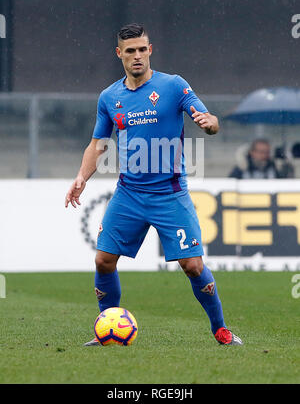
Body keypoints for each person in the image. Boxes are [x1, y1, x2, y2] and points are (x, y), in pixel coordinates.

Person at [65, 23, 243, 346]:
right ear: (119, 54)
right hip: (129, 193)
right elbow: (97, 145)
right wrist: (81, 176)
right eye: (130, 51)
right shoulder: (110, 97)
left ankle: (221, 329)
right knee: (103, 260)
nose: (137, 56)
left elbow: (211, 121)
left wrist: (209, 124)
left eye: (142, 49)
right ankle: (107, 328)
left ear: (151, 50)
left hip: (170, 194)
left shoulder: (174, 86)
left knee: (192, 265)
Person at [229, 138, 294, 179]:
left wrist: (287, 164)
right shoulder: (242, 168)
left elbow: (287, 183)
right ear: (252, 152)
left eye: (267, 152)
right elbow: (230, 185)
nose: (264, 155)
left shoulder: (275, 167)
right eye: (261, 152)